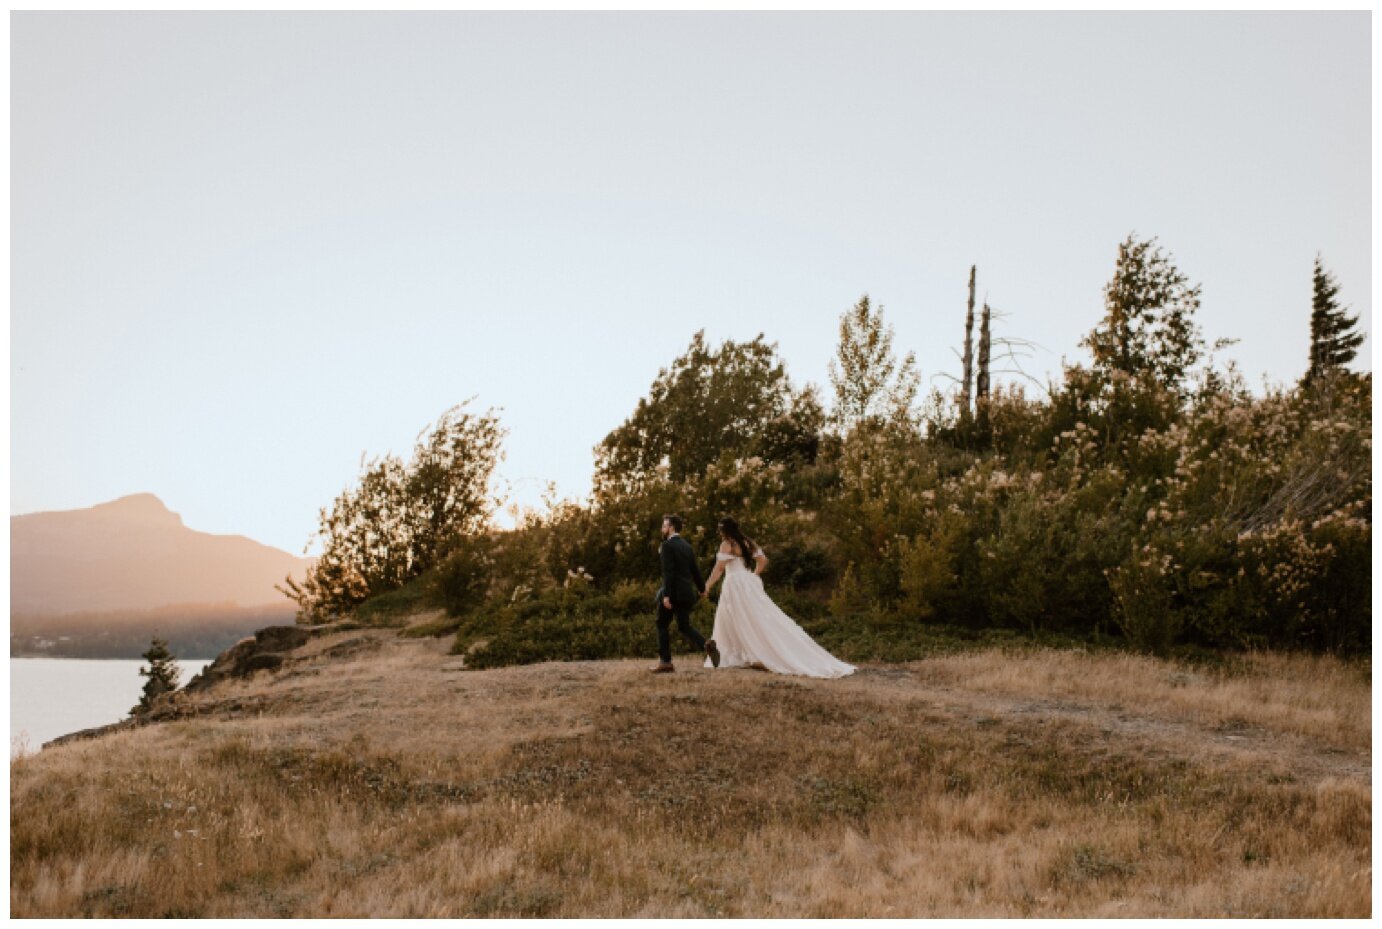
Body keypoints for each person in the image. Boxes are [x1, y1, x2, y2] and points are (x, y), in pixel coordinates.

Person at [701, 517, 855, 678]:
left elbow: (718, 569)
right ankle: (750, 652)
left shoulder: (727, 544)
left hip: (734, 583)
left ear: (724, 530)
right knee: (756, 617)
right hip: (747, 581)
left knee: (735, 617)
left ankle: (742, 653)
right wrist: (754, 574)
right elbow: (763, 560)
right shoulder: (747, 542)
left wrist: (707, 586)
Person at [650, 513, 720, 673]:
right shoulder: (687, 546)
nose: (662, 528)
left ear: (671, 527)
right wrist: (702, 589)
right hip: (687, 593)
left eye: (664, 525)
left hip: (673, 593)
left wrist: (666, 595)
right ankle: (706, 644)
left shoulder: (667, 546)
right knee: (684, 625)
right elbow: (695, 570)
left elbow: (669, 572)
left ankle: (665, 662)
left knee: (661, 624)